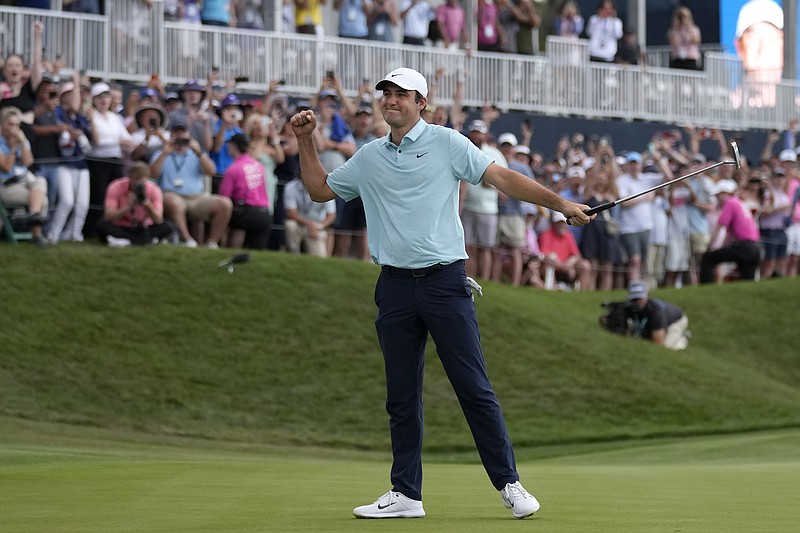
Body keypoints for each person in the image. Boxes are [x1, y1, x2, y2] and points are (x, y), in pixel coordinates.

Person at [290, 66, 593, 519]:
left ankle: (510, 484)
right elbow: (318, 190)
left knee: (473, 388)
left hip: (444, 283)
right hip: (393, 287)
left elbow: (503, 179)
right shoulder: (369, 156)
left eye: (401, 94)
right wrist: (306, 139)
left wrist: (562, 204)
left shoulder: (448, 142)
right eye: (386, 93)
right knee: (401, 395)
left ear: (421, 103)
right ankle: (406, 494)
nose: (391, 99)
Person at [150, 120, 231, 248]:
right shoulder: (161, 153)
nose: (180, 138)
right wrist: (165, 153)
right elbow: (152, 174)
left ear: (189, 136)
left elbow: (211, 171)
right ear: (171, 136)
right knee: (174, 203)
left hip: (197, 198)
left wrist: (199, 153)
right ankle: (188, 241)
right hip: (171, 195)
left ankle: (212, 244)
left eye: (183, 134)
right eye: (177, 134)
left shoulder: (196, 153)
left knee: (225, 203)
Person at [47, 80, 92, 243]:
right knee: (66, 201)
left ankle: (73, 234)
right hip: (63, 163)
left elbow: (88, 141)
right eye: (69, 94)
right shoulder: (58, 112)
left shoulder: (81, 117)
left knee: (82, 204)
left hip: (81, 164)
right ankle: (53, 234)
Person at [96, 161, 177, 247]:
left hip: (144, 227)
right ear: (130, 177)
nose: (139, 183)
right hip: (122, 226)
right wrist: (128, 207)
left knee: (168, 226)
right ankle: (144, 241)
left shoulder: (154, 189)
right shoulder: (116, 186)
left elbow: (158, 219)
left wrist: (147, 204)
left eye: (142, 180)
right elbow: (108, 216)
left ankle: (126, 241)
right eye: (136, 179)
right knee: (101, 225)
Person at [0, 106, 48, 245]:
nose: (14, 128)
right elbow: (5, 167)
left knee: (40, 181)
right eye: (10, 124)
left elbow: (28, 162)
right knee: (42, 200)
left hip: (25, 179)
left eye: (17, 124)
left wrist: (21, 142)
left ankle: (33, 215)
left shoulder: (21, 139)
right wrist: (14, 148)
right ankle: (37, 236)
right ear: (2, 124)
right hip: (6, 184)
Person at [700, 179, 761, 283]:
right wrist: (722, 248)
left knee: (708, 258)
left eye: (718, 195)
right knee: (747, 280)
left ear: (724, 194)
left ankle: (705, 289)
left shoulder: (729, 202)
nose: (716, 198)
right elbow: (728, 235)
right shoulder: (739, 202)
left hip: (743, 247)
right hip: (755, 248)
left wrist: (709, 247)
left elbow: (719, 227)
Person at [219, 132, 271, 249]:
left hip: (244, 213)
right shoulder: (259, 165)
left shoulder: (233, 169)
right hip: (264, 214)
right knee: (258, 256)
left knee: (233, 247)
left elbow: (224, 197)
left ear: (234, 146)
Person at [625, 280, 690, 350]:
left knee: (665, 348)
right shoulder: (627, 307)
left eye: (640, 298)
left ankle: (681, 339)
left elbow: (658, 344)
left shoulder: (656, 312)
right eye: (634, 299)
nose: (637, 302)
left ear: (648, 296)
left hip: (675, 321)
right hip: (654, 321)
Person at [538, 211, 592, 290]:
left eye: (563, 223)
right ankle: (554, 291)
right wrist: (562, 265)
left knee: (585, 265)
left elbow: (577, 256)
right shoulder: (546, 234)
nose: (561, 225)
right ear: (554, 223)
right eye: (559, 223)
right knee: (548, 264)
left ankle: (582, 294)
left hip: (567, 268)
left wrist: (570, 263)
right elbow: (544, 255)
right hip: (553, 267)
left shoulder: (568, 235)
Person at [283, 176, 337, 256]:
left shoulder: (327, 187)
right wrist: (309, 224)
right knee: (290, 225)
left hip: (317, 227)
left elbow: (331, 215)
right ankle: (293, 255)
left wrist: (318, 226)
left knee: (320, 259)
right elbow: (291, 213)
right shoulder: (291, 187)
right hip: (300, 224)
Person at [667, 6, 701, 71]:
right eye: (680, 17)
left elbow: (696, 41)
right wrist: (676, 27)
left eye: (684, 17)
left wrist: (688, 30)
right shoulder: (673, 31)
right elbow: (672, 42)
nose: (682, 19)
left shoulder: (694, 29)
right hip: (677, 58)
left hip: (690, 58)